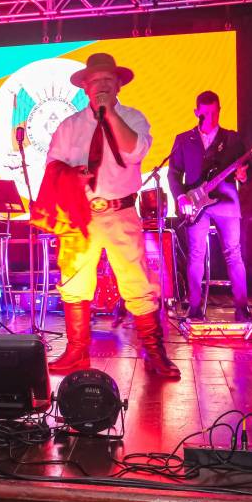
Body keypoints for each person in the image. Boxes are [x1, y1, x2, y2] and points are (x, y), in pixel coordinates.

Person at [42, 53, 179, 378]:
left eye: (108, 80)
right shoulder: (69, 126)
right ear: (85, 87)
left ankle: (154, 352)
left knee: (138, 282)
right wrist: (70, 175)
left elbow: (135, 151)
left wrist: (110, 114)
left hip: (121, 210)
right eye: (96, 81)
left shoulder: (133, 117)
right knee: (74, 282)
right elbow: (52, 166)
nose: (102, 85)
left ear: (118, 85)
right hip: (80, 214)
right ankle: (76, 352)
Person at [167, 90, 251, 322]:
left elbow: (248, 171)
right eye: (206, 114)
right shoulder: (183, 140)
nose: (212, 118)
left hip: (226, 201)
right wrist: (181, 197)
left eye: (215, 113)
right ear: (197, 113)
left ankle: (242, 307)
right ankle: (194, 308)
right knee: (196, 254)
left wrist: (243, 175)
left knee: (233, 253)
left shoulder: (232, 139)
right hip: (196, 203)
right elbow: (174, 174)